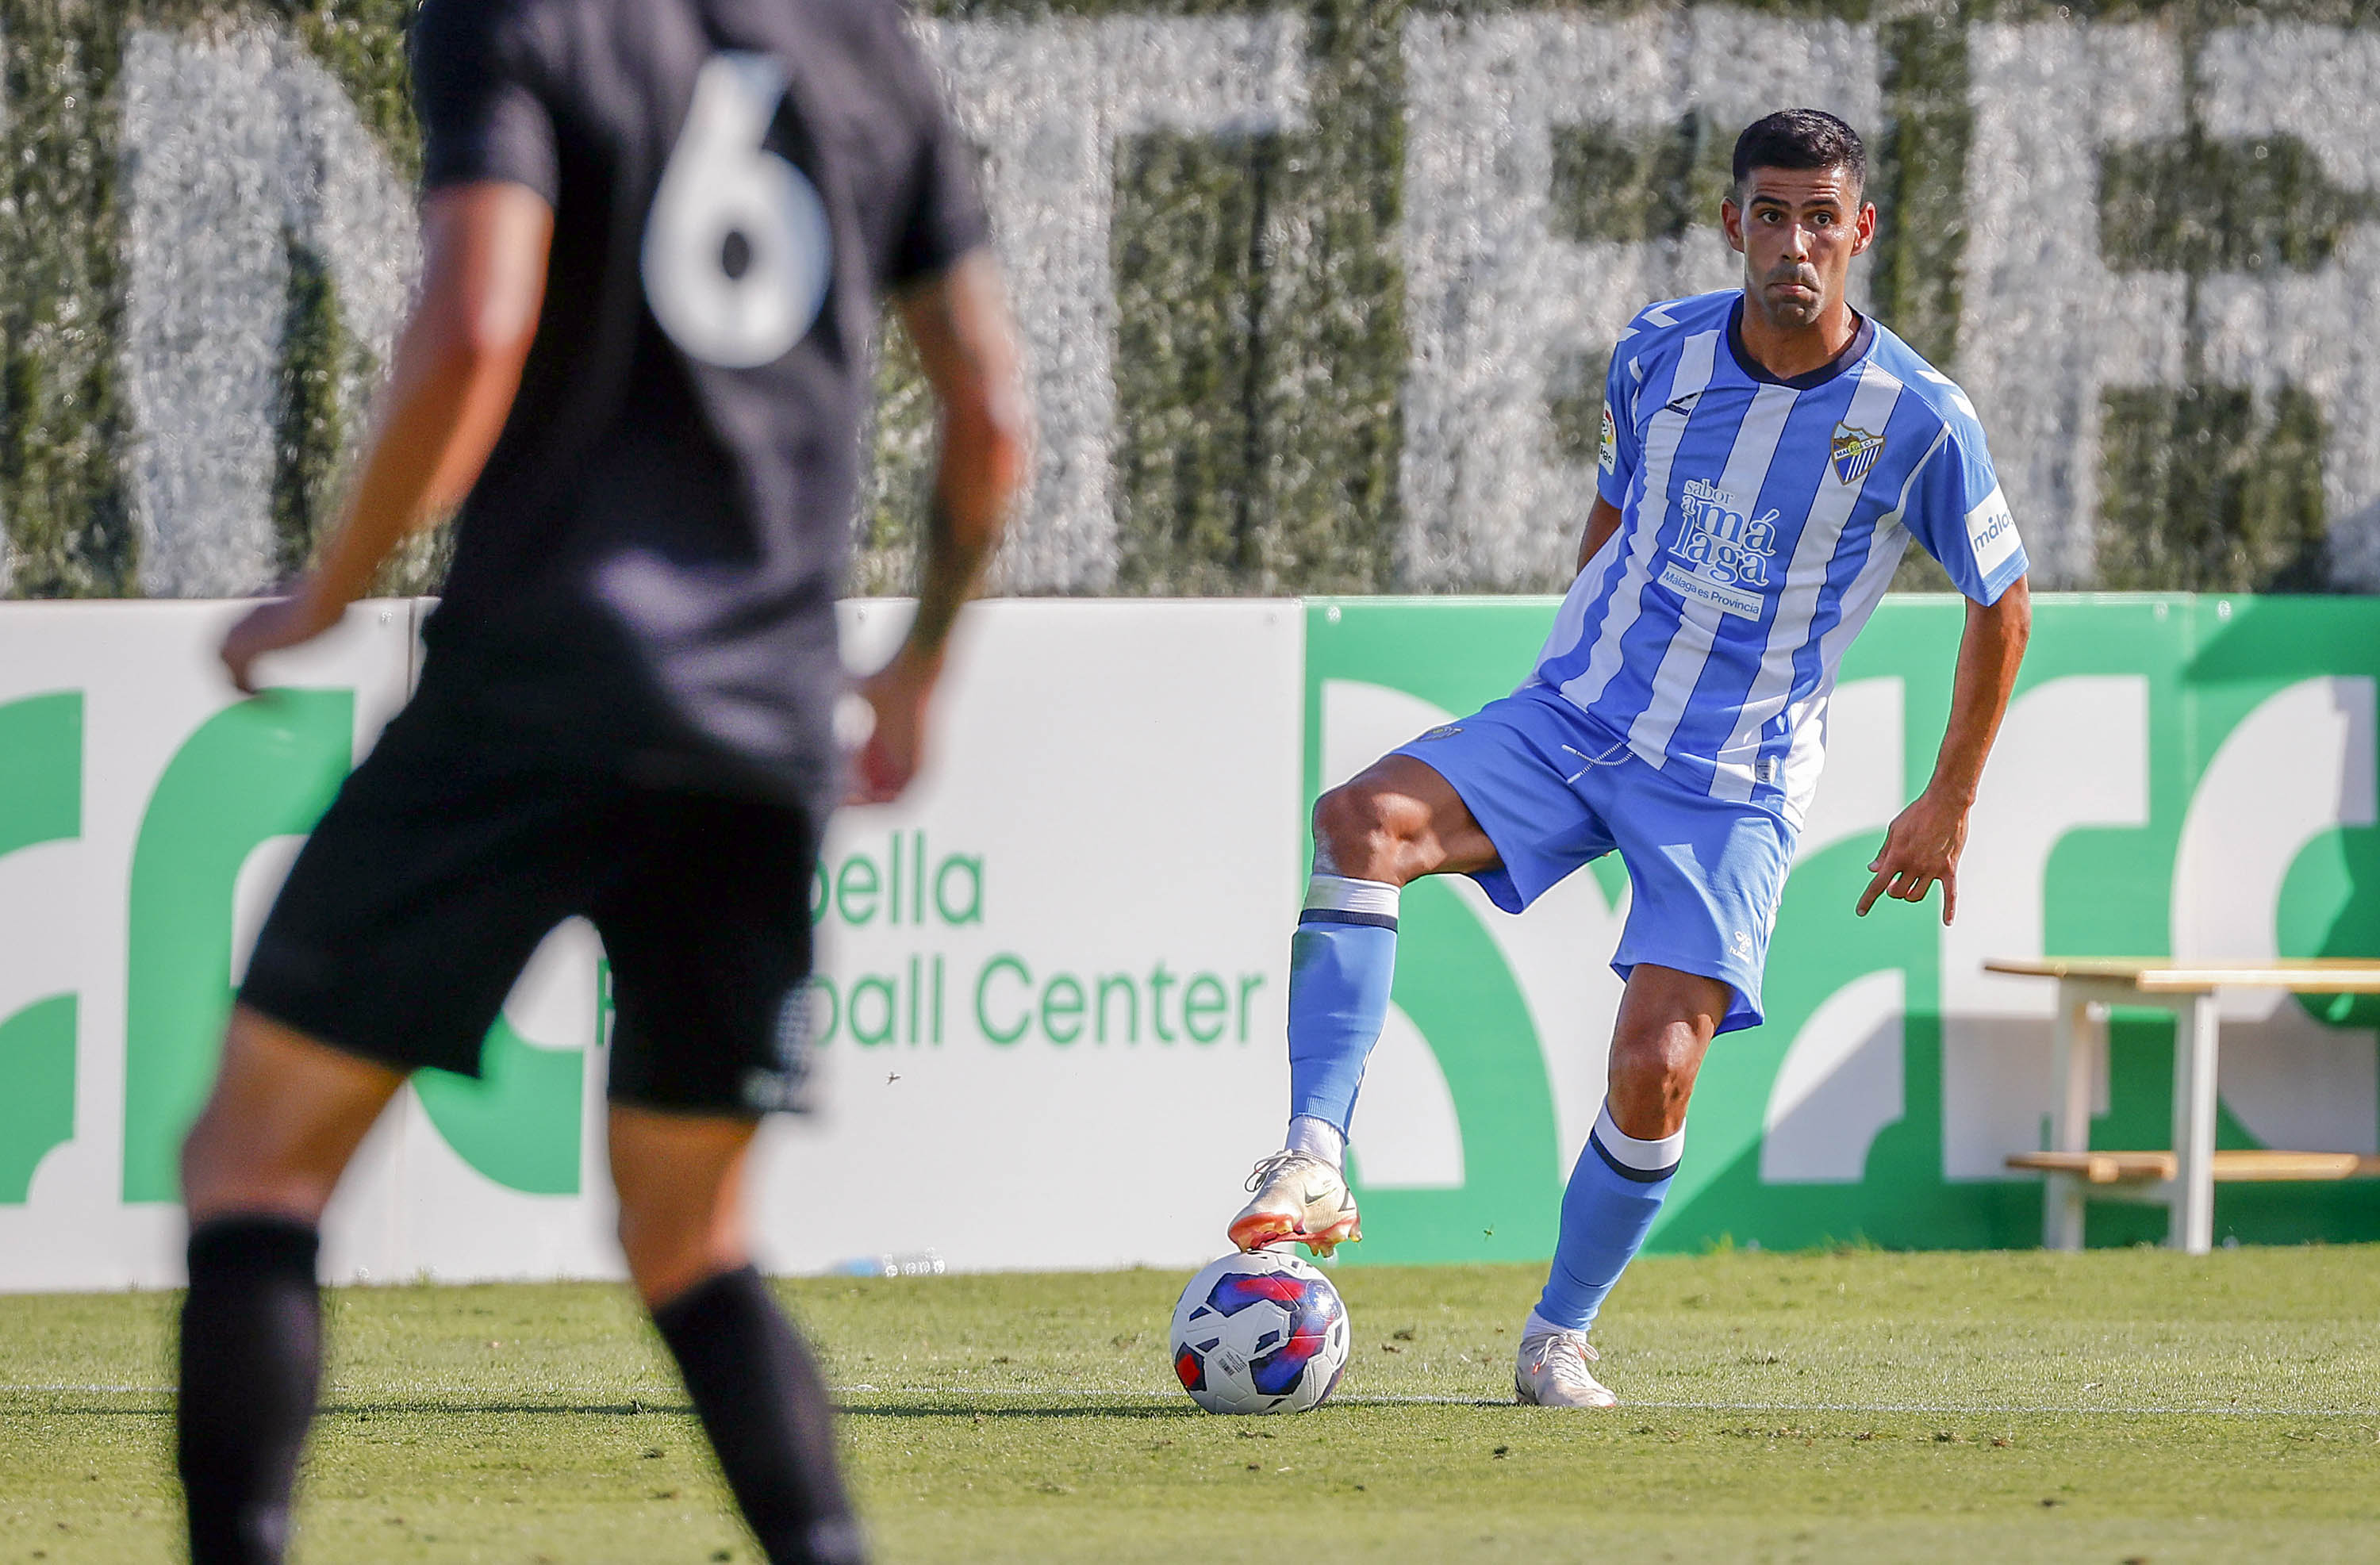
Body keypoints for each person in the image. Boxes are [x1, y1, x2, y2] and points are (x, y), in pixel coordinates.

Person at [173, 0, 1027, 1559]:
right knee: (692, 1238)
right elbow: (988, 414)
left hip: (534, 691)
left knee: (254, 1162)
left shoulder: (522, 13)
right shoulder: (869, 48)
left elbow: (480, 321)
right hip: (760, 731)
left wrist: (330, 587)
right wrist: (916, 670)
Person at [1228, 109, 2031, 1408]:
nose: (1797, 243)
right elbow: (1615, 503)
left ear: (1862, 231)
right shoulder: (1657, 353)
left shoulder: (1919, 420)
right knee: (1360, 818)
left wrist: (1950, 796)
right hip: (1581, 716)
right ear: (1734, 223)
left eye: (1823, 217)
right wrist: (1575, 643)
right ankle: (1314, 1151)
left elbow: (2004, 599)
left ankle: (1557, 1336)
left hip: (1734, 778)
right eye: (1771, 213)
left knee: (1657, 1065)